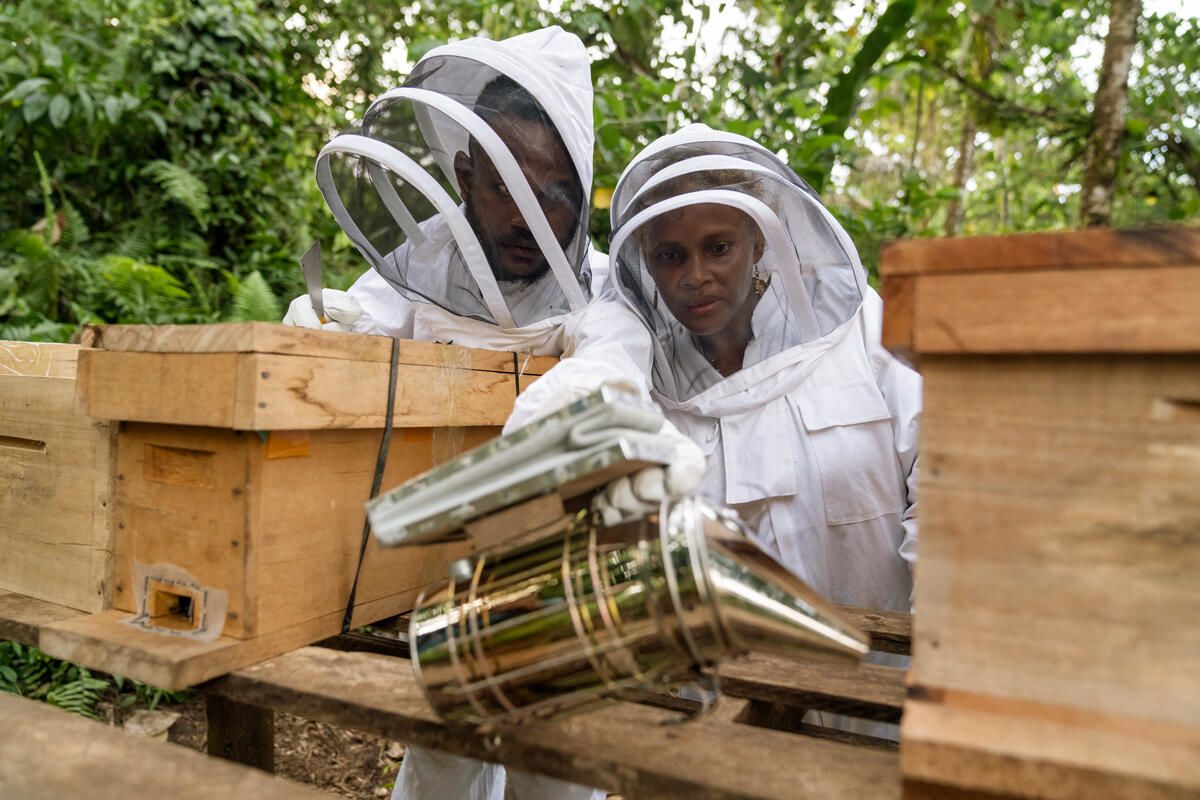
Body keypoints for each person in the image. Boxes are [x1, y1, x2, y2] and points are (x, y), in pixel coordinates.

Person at [282, 27, 701, 800]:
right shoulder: (424, 264)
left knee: (556, 750)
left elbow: (612, 367)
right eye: (506, 185)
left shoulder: (602, 289)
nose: (524, 215)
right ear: (466, 173)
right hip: (425, 570)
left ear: (580, 198)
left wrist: (543, 428)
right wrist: (317, 336)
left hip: (564, 568)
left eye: (551, 192)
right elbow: (350, 338)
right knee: (443, 747)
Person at [509, 124, 920, 735]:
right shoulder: (641, 355)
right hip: (716, 717)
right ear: (646, 261)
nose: (695, 275)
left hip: (875, 706)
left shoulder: (860, 328)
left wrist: (943, 648)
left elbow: (943, 484)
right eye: (670, 255)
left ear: (758, 238)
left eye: (718, 247)